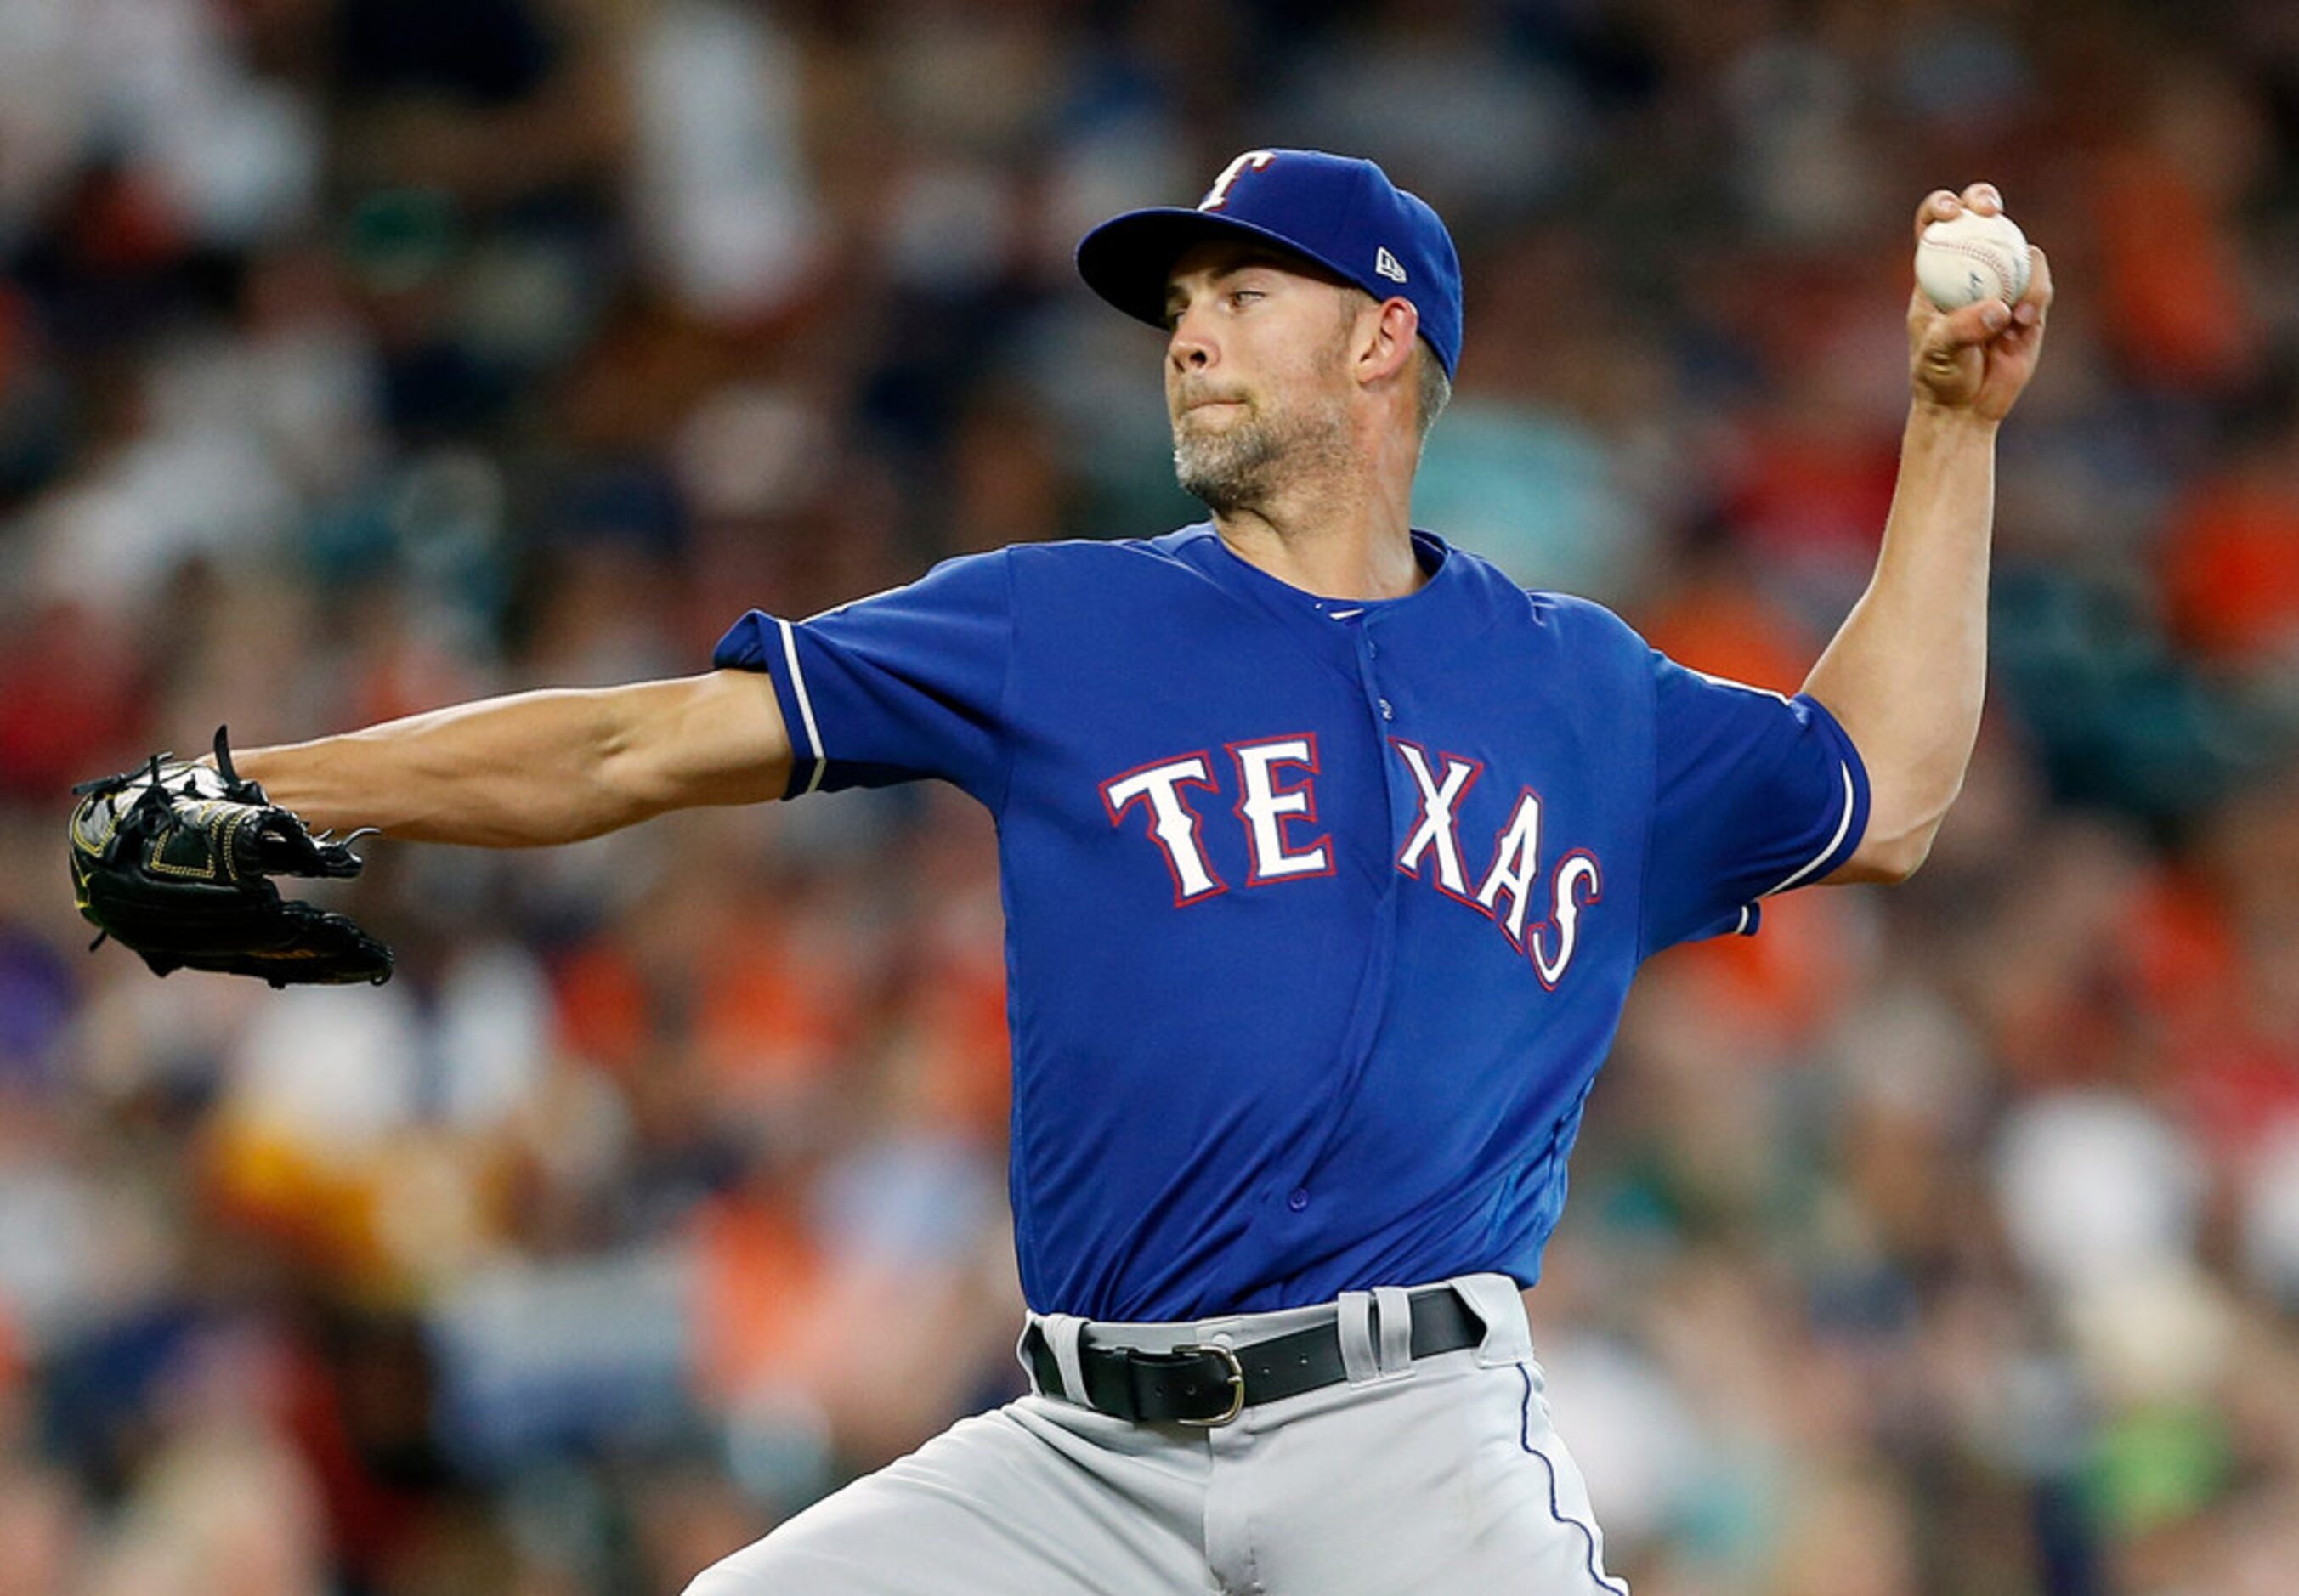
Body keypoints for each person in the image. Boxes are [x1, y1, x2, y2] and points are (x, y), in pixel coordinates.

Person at [122, 150, 2051, 1592]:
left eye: (1245, 289)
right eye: (1178, 301)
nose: (1190, 326)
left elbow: (1881, 795)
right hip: (1077, 1455)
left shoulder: (1582, 691)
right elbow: (637, 744)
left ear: (1388, 339)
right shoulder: (1056, 625)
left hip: (1407, 1437)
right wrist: (263, 787)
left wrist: (1952, 430)